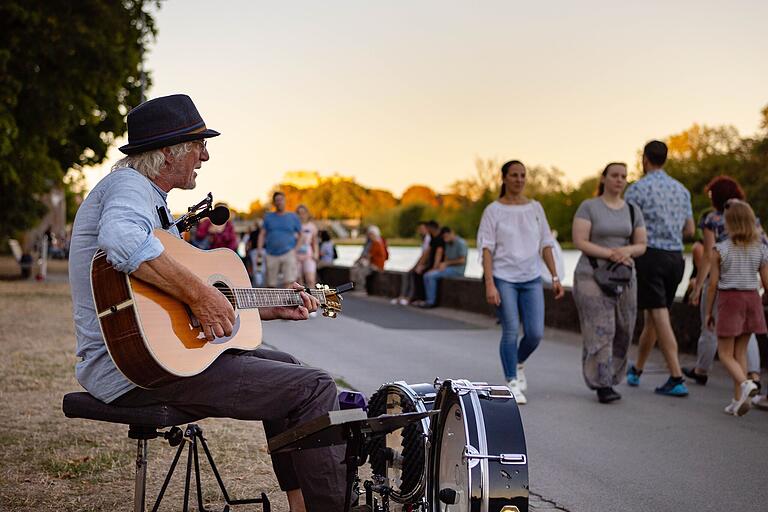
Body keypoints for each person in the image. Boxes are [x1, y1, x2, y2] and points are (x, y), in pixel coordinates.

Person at [67, 94, 345, 510]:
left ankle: (302, 504)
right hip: (133, 369)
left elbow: (168, 295)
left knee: (289, 368)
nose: (206, 155)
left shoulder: (149, 198)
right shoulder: (129, 186)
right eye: (199, 145)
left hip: (149, 360)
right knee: (316, 387)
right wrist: (200, 294)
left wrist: (266, 306)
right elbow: (121, 242)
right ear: (167, 153)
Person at [477, 160, 565, 404]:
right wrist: (489, 283)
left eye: (522, 175)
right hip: (504, 278)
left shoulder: (535, 208)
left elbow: (546, 243)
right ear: (504, 178)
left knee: (535, 333)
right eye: (514, 175)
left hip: (531, 278)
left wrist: (555, 276)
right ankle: (511, 381)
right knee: (511, 329)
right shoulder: (493, 210)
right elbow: (486, 249)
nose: (519, 179)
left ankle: (517, 362)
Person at [624, 140, 695, 397]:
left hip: (649, 256)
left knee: (659, 315)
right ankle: (638, 369)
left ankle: (676, 377)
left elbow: (627, 227)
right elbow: (690, 230)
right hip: (676, 258)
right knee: (653, 318)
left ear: (645, 159)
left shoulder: (637, 190)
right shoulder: (682, 190)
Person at [572, 163, 647, 403]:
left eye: (624, 177)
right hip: (591, 274)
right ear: (603, 178)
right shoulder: (589, 207)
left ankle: (613, 376)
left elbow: (641, 244)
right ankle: (602, 383)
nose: (619, 180)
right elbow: (580, 240)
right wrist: (609, 253)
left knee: (625, 328)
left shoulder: (633, 210)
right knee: (602, 328)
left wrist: (624, 250)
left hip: (623, 275)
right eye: (614, 175)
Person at [685, 176, 763, 389]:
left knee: (709, 327)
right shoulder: (753, 220)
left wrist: (698, 287)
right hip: (749, 287)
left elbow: (709, 257)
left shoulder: (712, 220)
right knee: (748, 334)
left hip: (724, 286)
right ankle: (753, 375)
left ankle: (702, 369)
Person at [703, 200, 768, 416]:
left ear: (728, 223)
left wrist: (708, 313)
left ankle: (745, 383)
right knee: (739, 352)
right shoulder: (761, 249)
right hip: (752, 300)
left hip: (730, 300)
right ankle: (737, 400)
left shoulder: (720, 250)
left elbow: (713, 285)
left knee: (724, 353)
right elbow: (766, 284)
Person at [258, 192, 301, 288]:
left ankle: (289, 303)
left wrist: (296, 249)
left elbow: (301, 234)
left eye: (281, 200)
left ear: (285, 201)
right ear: (274, 203)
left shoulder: (293, 217)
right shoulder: (268, 217)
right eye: (277, 200)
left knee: (290, 282)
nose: (279, 202)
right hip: (271, 253)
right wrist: (260, 250)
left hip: (288, 252)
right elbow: (262, 234)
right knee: (270, 284)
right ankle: (272, 303)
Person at [420, 226, 468, 308]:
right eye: (444, 237)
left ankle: (431, 301)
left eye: (446, 236)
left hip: (457, 270)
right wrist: (440, 265)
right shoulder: (447, 243)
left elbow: (462, 260)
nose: (445, 239)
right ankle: (427, 299)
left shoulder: (461, 243)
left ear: (452, 233)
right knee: (426, 275)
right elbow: (446, 257)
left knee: (431, 276)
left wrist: (447, 263)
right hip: (448, 268)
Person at [391, 221, 431, 306]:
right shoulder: (424, 239)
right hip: (421, 263)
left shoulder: (429, 239)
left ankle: (409, 298)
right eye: (419, 229)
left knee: (413, 274)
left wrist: (418, 266)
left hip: (426, 264)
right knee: (407, 274)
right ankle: (402, 296)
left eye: (422, 229)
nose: (420, 231)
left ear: (427, 229)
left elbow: (425, 255)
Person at [410, 220, 443, 307]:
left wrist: (434, 267)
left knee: (425, 275)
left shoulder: (439, 239)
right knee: (417, 273)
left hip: (435, 265)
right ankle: (418, 298)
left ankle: (428, 300)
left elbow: (439, 254)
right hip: (430, 264)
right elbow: (426, 253)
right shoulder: (432, 238)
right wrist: (420, 265)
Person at [349, 225, 388, 292]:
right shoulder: (374, 243)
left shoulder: (377, 243)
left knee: (361, 272)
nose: (369, 236)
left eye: (371, 235)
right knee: (357, 270)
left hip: (376, 265)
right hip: (373, 264)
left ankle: (361, 289)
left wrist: (362, 262)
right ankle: (356, 287)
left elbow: (369, 256)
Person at [295, 205, 319, 288]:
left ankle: (313, 298)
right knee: (298, 280)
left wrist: (316, 253)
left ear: (307, 214)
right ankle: (301, 299)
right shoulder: (294, 226)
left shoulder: (312, 226)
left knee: (310, 279)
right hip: (296, 255)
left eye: (303, 213)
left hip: (308, 255)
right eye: (299, 213)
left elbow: (314, 241)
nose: (301, 215)